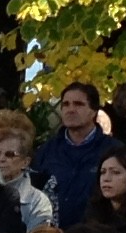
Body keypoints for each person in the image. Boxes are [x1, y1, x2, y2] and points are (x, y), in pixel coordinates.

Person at [30, 81, 119, 225]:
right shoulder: (46, 151)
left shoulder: (113, 151)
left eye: (78, 104)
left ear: (94, 111)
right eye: (66, 104)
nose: (70, 109)